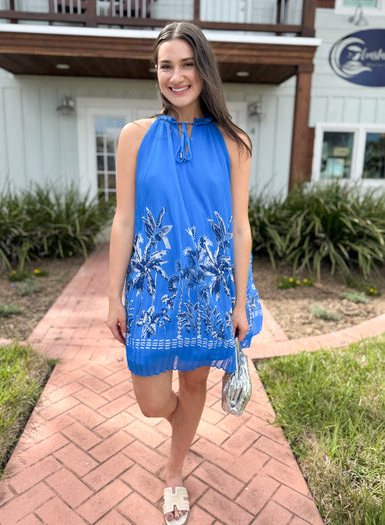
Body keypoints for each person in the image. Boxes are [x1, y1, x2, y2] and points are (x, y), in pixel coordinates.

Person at [107, 21, 263, 525]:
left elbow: (241, 228)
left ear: (205, 69)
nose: (176, 76)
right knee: (154, 403)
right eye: (165, 66)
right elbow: (124, 220)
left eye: (187, 63)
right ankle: (183, 430)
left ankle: (175, 474)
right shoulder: (135, 137)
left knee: (193, 385)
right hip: (151, 292)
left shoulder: (234, 140)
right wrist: (114, 298)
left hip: (211, 290)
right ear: (155, 73)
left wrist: (239, 303)